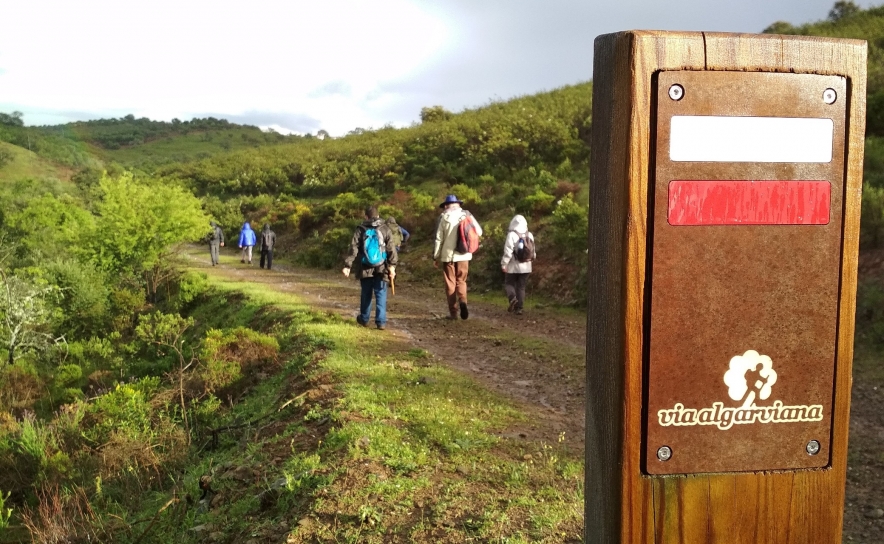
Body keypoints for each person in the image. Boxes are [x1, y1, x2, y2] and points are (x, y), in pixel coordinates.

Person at [342, 206, 398, 330]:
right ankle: (381, 322)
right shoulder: (385, 229)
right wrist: (392, 266)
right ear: (378, 216)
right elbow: (391, 249)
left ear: (366, 216)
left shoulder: (361, 229)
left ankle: (364, 318)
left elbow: (353, 248)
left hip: (365, 267)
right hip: (382, 267)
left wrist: (348, 265)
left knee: (366, 294)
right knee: (381, 294)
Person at [433, 194, 482, 320]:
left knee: (450, 283)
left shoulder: (444, 217)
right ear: (458, 204)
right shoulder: (467, 215)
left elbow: (439, 239)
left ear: (446, 205)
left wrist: (435, 256)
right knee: (461, 281)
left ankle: (453, 312)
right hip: (464, 254)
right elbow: (479, 232)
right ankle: (463, 302)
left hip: (448, 255)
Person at [500, 214, 535, 315]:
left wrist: (504, 264)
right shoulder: (530, 234)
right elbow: (534, 251)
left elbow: (508, 251)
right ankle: (519, 308)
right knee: (521, 287)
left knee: (509, 283)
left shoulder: (511, 235)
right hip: (527, 266)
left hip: (513, 266)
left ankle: (512, 298)